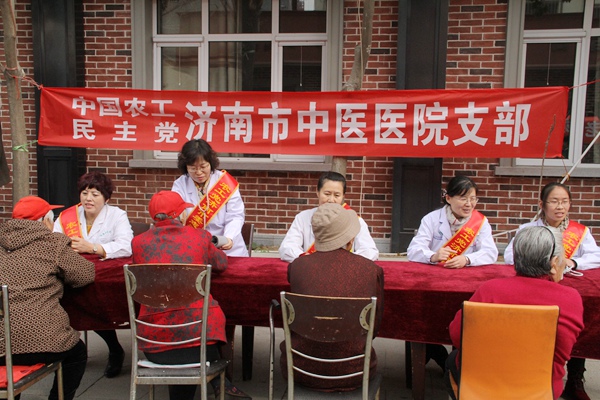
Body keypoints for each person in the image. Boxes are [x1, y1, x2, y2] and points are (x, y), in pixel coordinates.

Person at [132, 190, 250, 400]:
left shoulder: (138, 242)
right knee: (209, 322)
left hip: (154, 343)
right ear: (180, 214)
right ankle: (221, 383)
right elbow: (221, 263)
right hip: (200, 340)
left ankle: (218, 385)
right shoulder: (199, 237)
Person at [446, 226, 584, 400]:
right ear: (554, 262)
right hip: (540, 389)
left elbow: (457, 335)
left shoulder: (490, 290)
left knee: (452, 360)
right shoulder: (570, 298)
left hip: (481, 386)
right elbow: (564, 348)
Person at [503, 182, 600, 400]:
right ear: (542, 204)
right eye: (554, 201)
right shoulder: (527, 229)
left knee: (578, 326)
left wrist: (574, 262)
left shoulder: (580, 232)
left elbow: (596, 255)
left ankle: (575, 378)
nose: (560, 207)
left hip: (567, 289)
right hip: (534, 286)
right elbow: (510, 255)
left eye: (565, 202)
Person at [0, 196, 95, 400]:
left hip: (1, 344)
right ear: (45, 220)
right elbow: (84, 275)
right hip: (43, 340)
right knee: (77, 354)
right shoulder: (53, 243)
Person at [282, 202, 384, 391]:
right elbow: (374, 325)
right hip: (355, 369)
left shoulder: (297, 267)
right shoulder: (371, 270)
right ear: (350, 239)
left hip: (300, 367)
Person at [407, 175, 498, 371]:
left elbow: (491, 252)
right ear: (448, 198)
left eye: (473, 199)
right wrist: (433, 255)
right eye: (463, 198)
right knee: (428, 319)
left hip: (466, 284)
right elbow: (413, 250)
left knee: (464, 320)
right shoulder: (432, 219)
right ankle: (436, 352)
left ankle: (458, 359)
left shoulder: (481, 222)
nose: (469, 204)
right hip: (434, 283)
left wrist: (468, 259)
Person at [54, 171, 134, 378]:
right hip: (75, 275)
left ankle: (114, 349)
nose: (88, 198)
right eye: (85, 193)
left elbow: (126, 246)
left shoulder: (117, 215)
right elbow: (55, 245)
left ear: (106, 198)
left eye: (95, 194)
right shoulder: (67, 217)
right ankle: (73, 348)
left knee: (99, 302)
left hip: (104, 276)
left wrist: (93, 248)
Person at [279, 171, 379, 262]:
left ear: (343, 196)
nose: (331, 200)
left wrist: (346, 262)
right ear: (317, 192)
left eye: (337, 195)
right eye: (327, 194)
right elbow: (287, 248)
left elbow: (370, 251)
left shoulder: (356, 221)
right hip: (312, 269)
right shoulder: (303, 217)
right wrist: (306, 258)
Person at [172, 139, 248, 256]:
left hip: (226, 247)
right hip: (194, 248)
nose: (198, 172)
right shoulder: (180, 184)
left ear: (211, 163)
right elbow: (174, 211)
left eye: (203, 166)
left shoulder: (224, 182)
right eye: (193, 168)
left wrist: (229, 237)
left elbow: (235, 216)